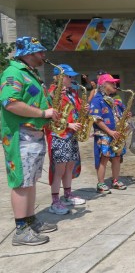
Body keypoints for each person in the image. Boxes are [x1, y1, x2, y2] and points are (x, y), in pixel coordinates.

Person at [0, 36, 60, 246]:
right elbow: (10, 102)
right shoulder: (13, 73)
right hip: (20, 136)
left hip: (33, 135)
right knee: (21, 183)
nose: (43, 55)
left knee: (30, 181)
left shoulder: (29, 73)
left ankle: (30, 220)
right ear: (27, 53)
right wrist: (44, 113)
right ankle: (20, 230)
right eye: (39, 52)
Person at [46, 64, 86, 216]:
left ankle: (68, 195)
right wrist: (68, 124)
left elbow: (75, 109)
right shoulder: (52, 93)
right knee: (59, 169)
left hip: (71, 134)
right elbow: (50, 116)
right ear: (59, 77)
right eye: (69, 76)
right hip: (59, 135)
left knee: (70, 166)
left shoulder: (71, 92)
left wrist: (83, 110)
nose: (72, 79)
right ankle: (55, 201)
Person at [89, 73, 129, 193]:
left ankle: (115, 180)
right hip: (104, 134)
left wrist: (125, 116)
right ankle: (100, 183)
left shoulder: (113, 99)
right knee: (104, 159)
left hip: (115, 134)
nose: (115, 85)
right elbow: (96, 118)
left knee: (117, 157)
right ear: (104, 84)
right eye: (112, 83)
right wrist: (109, 131)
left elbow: (117, 115)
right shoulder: (97, 99)